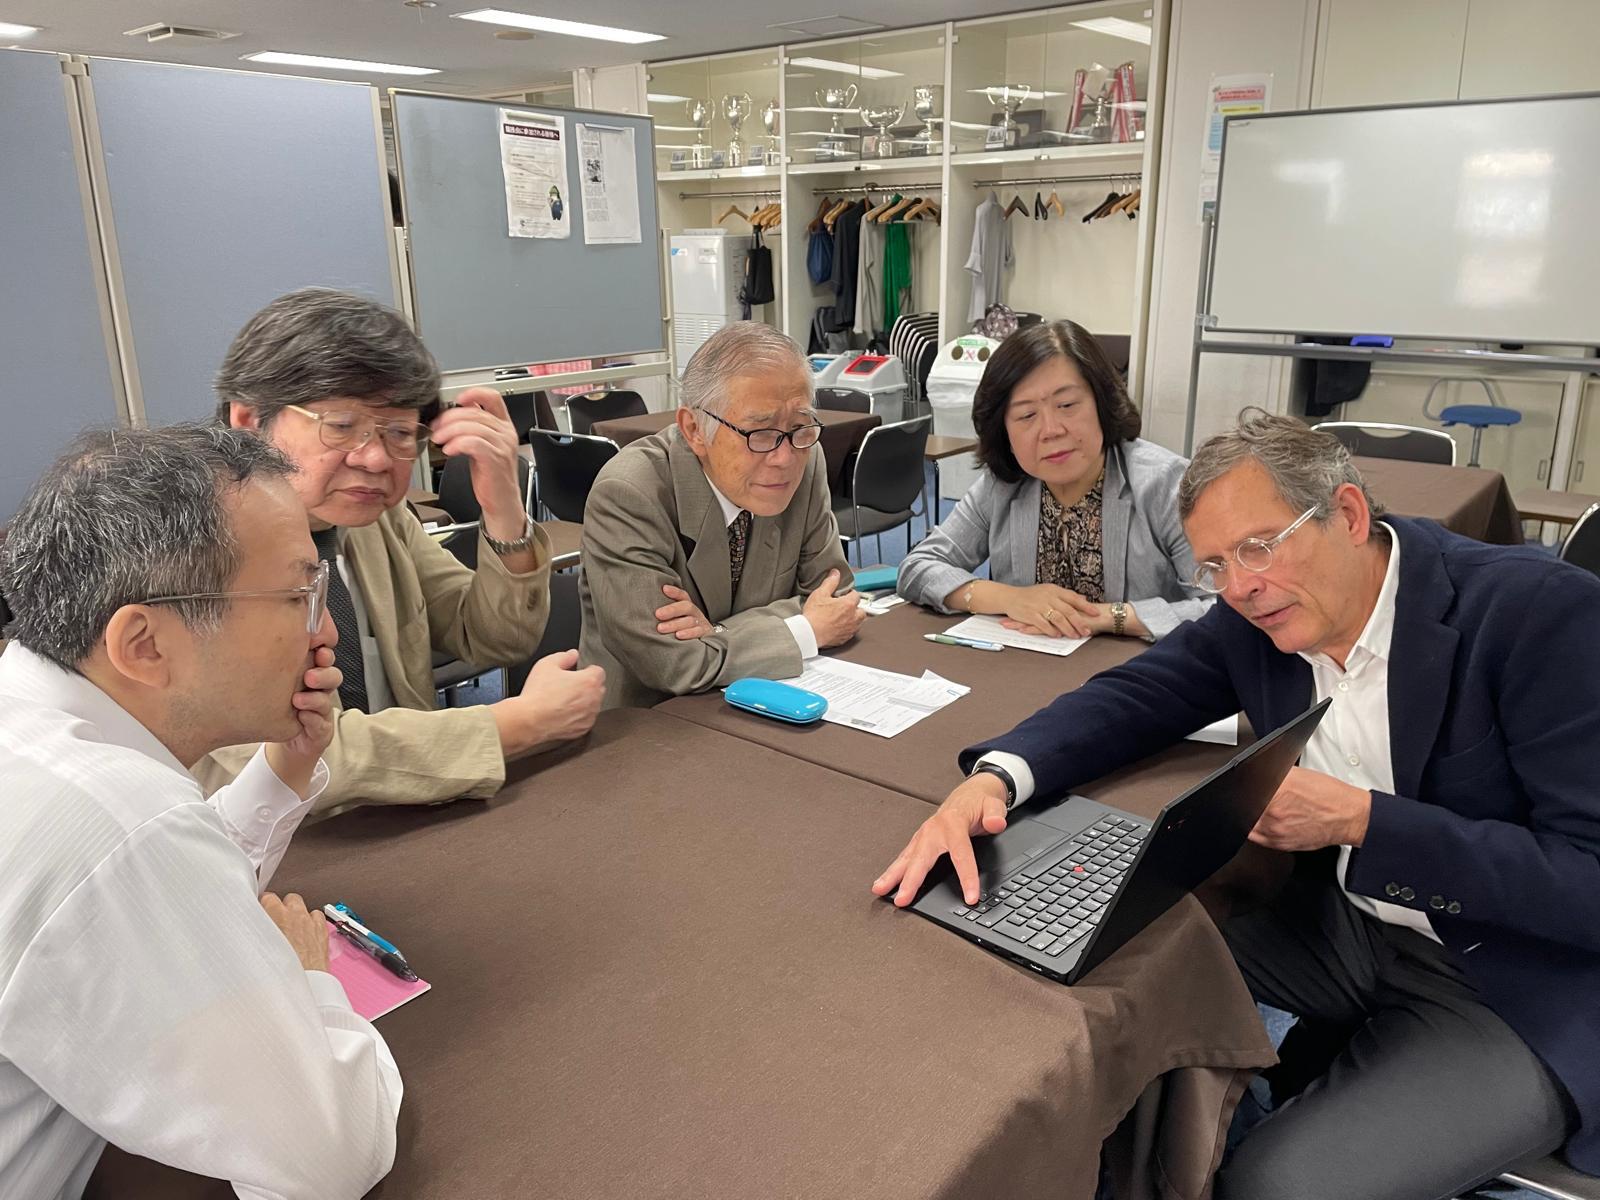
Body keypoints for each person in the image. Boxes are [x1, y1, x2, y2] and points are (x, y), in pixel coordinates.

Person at [873, 411, 1598, 1197]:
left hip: (1516, 979)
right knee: (1090, 952)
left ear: (1349, 515)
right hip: (1353, 924)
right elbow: (1136, 695)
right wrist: (995, 779)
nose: (1240, 586)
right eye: (1215, 565)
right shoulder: (1260, 612)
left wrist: (1363, 820)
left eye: (1259, 546)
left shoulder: (1538, 614)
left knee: (1273, 1187)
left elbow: (1587, 882)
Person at [0, 425, 401, 1199]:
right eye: (298, 597)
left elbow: (144, 902)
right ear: (144, 644)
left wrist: (284, 769)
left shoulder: (34, 729)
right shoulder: (116, 821)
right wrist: (311, 979)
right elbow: (328, 1156)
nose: (325, 633)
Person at [199, 288, 603, 812]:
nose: (375, 459)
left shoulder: (375, 520)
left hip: (408, 816)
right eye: (342, 426)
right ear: (250, 421)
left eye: (398, 432)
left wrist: (502, 503)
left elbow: (494, 635)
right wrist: (516, 724)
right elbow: (274, 761)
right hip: (276, 845)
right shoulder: (189, 552)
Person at [579, 322, 865, 708]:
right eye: (759, 433)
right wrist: (805, 628)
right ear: (695, 429)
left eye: (799, 425)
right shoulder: (630, 494)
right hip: (651, 720)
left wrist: (715, 633)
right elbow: (671, 663)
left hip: (767, 696)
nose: (784, 458)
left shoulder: (805, 455)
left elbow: (836, 597)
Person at [897, 320, 1210, 640]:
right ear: (1003, 430)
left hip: (1143, 665)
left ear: (1102, 403)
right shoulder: (1002, 485)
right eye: (1026, 415)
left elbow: (1219, 606)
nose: (1051, 430)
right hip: (1028, 664)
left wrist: (1111, 617)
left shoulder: (1166, 485)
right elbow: (919, 567)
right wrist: (1010, 598)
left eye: (1067, 405)